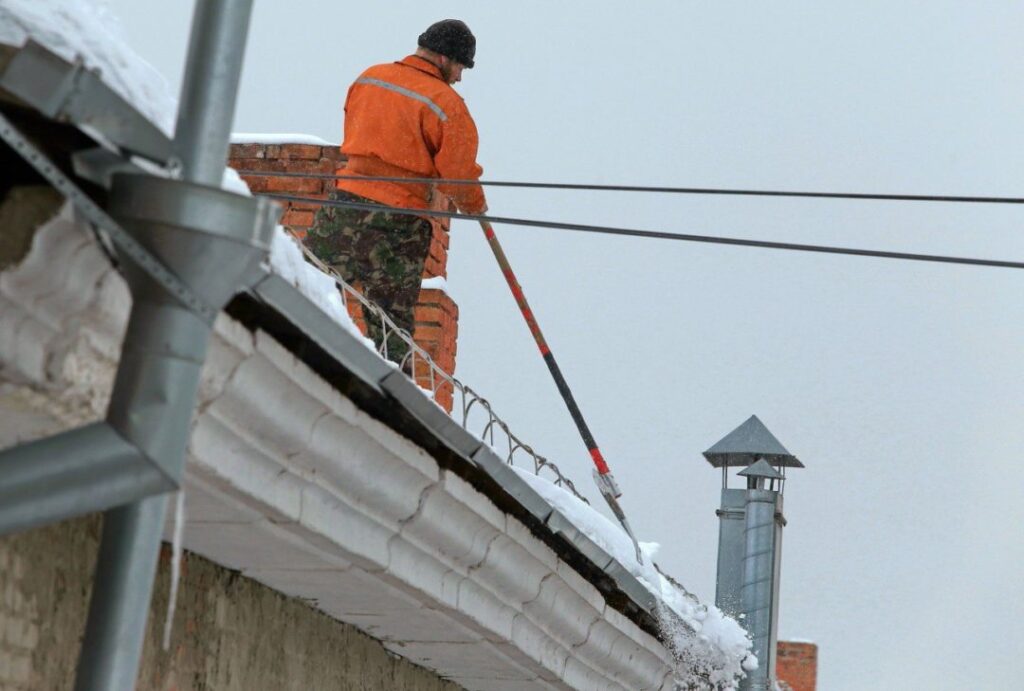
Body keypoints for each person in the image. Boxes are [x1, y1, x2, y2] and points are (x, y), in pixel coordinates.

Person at [304, 19, 487, 364]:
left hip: (345, 206)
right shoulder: (447, 104)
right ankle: (391, 388)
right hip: (398, 222)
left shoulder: (370, 78)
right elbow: (458, 176)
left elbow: (353, 127)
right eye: (461, 66)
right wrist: (475, 204)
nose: (460, 77)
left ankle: (289, 346)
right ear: (445, 58)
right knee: (389, 325)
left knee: (308, 283)